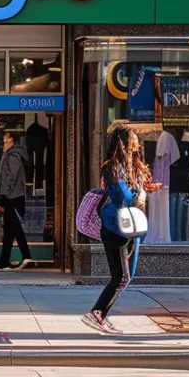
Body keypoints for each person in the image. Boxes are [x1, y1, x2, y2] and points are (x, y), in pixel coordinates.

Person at [82, 126, 147, 335]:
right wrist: (138, 196)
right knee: (119, 276)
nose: (137, 142)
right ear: (124, 141)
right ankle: (97, 313)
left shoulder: (129, 166)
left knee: (125, 277)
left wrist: (143, 191)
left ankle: (100, 314)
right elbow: (121, 196)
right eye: (134, 139)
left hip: (129, 226)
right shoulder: (112, 167)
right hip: (114, 226)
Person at [0, 131, 34, 270]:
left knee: (15, 228)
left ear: (11, 140)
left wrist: (3, 195)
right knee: (10, 229)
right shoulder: (12, 154)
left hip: (12, 196)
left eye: (4, 141)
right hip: (13, 195)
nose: (2, 144)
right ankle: (4, 260)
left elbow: (10, 177)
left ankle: (27, 257)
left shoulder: (13, 155)